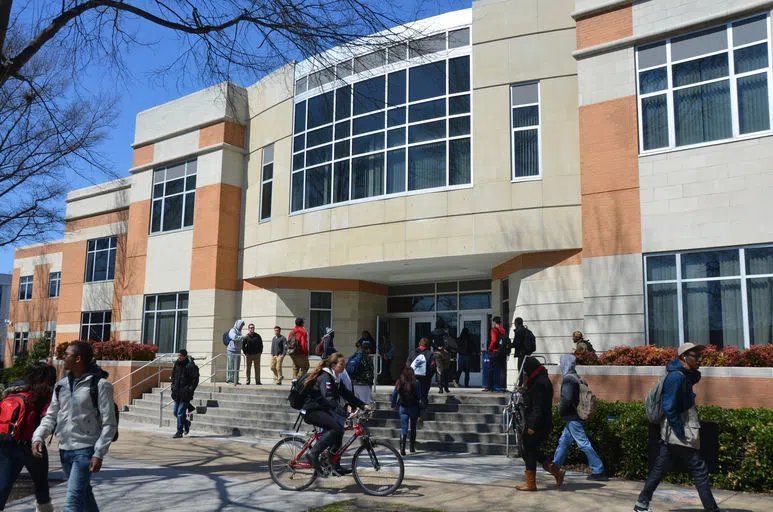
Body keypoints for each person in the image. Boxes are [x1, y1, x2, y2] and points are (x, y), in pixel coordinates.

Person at [633, 343, 720, 512]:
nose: (700, 359)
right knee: (699, 470)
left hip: (674, 433)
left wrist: (694, 369)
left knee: (659, 468)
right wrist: (680, 432)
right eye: (696, 356)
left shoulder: (684, 376)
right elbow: (669, 407)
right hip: (678, 432)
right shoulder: (676, 378)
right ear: (684, 358)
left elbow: (696, 377)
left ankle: (641, 504)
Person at [32, 341, 118, 512]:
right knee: (84, 494)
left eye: (66, 355)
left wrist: (99, 453)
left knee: (72, 501)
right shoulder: (60, 386)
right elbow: (51, 416)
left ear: (78, 359)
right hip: (65, 449)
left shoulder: (100, 385)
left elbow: (109, 423)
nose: (62, 358)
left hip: (85, 451)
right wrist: (38, 436)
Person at [0, 363, 56, 512]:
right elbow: (48, 417)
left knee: (3, 485)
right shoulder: (46, 394)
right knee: (41, 484)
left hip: (7, 443)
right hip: (33, 446)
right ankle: (44, 509)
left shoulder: (13, 389)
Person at [301, 353, 368, 475]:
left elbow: (347, 394)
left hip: (321, 409)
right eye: (341, 364)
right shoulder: (325, 378)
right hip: (311, 410)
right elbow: (330, 400)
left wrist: (363, 405)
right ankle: (313, 454)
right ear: (333, 365)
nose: (344, 367)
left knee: (339, 432)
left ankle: (334, 464)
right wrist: (346, 414)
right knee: (335, 428)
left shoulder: (335, 378)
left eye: (345, 365)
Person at [551, 354, 607, 481]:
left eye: (562, 363)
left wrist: (560, 411)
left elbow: (567, 399)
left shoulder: (568, 379)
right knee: (564, 442)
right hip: (577, 416)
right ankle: (554, 466)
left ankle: (599, 470)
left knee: (583, 444)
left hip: (572, 417)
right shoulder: (578, 378)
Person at [516, 356, 556, 491]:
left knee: (529, 449)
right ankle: (555, 470)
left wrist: (532, 426)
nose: (525, 374)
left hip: (538, 423)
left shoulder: (540, 383)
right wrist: (526, 392)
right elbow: (535, 400)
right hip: (540, 421)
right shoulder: (540, 380)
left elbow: (538, 407)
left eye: (526, 371)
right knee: (530, 450)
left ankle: (531, 483)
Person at [391, 367, 421, 456]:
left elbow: (394, 394)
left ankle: (402, 449)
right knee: (413, 427)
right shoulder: (416, 383)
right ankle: (412, 447)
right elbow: (419, 396)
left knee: (404, 428)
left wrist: (393, 404)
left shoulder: (400, 382)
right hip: (414, 408)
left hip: (403, 408)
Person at [171, 349, 199, 438]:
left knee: (180, 412)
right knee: (175, 412)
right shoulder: (177, 364)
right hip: (177, 393)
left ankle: (179, 432)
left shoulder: (190, 366)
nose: (179, 357)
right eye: (178, 356)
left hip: (185, 393)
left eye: (181, 356)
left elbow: (195, 379)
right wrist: (173, 387)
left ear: (185, 356)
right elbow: (173, 376)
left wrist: (190, 390)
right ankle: (186, 423)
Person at [407, 338, 435, 421]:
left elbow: (408, 364)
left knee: (413, 395)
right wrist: (428, 376)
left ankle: (412, 414)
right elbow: (433, 367)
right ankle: (421, 415)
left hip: (413, 378)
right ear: (428, 345)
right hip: (425, 380)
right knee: (423, 396)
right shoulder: (430, 354)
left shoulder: (413, 353)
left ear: (419, 343)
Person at [349, 339, 375, 404]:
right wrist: (370, 383)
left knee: (357, 403)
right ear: (368, 349)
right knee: (365, 404)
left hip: (355, 383)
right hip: (364, 384)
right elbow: (369, 372)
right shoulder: (366, 358)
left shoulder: (355, 355)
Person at [485, 316, 507, 392]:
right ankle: (502, 387)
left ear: (494, 322)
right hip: (502, 352)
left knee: (491, 369)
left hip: (495, 352)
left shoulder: (494, 330)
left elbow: (493, 340)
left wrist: (489, 348)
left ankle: (489, 386)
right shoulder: (503, 330)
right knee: (502, 370)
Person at [226, 319, 245, 384]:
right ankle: (229, 380)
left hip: (238, 351)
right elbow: (233, 337)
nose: (242, 327)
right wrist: (242, 337)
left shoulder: (239, 331)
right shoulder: (233, 330)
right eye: (241, 325)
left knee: (237, 366)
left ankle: (235, 380)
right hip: (231, 351)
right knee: (230, 366)